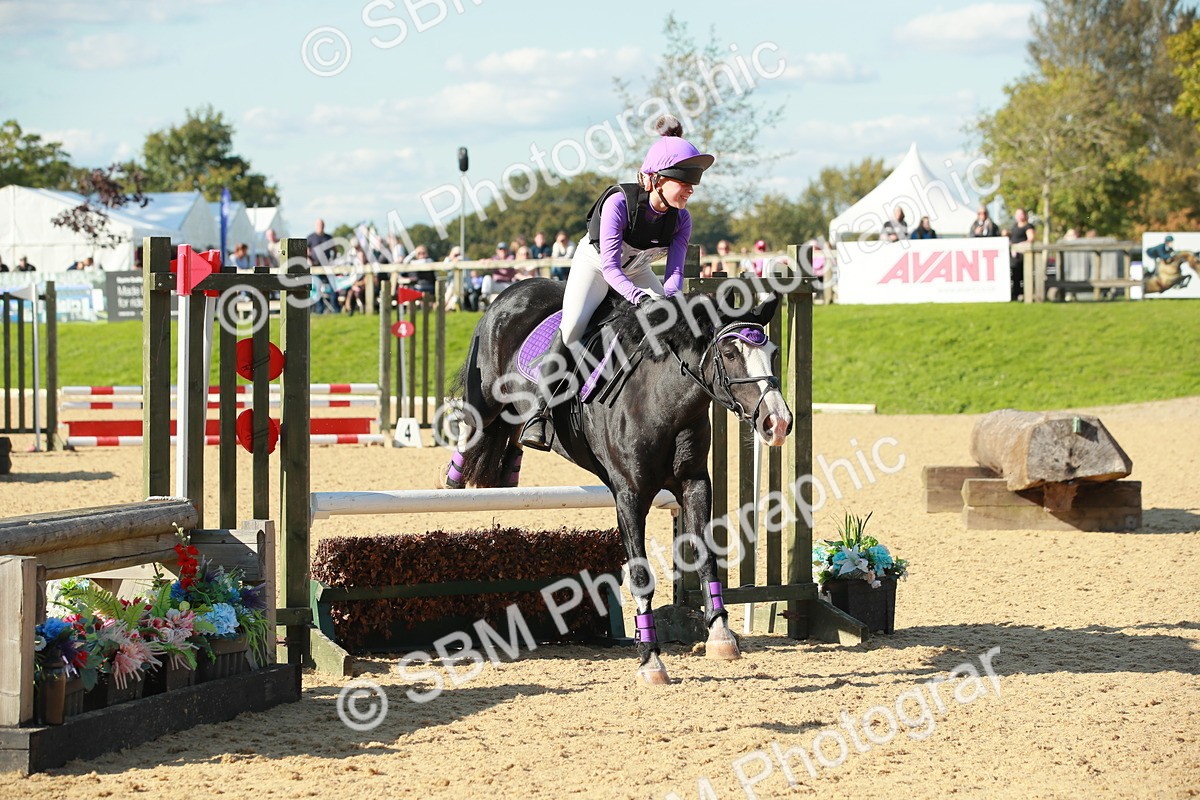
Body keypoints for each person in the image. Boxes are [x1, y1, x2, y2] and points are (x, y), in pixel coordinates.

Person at [520, 114, 712, 451]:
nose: (690, 189)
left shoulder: (682, 218)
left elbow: (675, 273)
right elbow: (610, 268)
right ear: (655, 180)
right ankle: (540, 410)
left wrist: (669, 298)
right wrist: (639, 298)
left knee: (674, 321)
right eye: (684, 181)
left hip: (636, 269)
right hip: (596, 266)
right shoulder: (619, 203)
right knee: (574, 326)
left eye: (693, 182)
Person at [1004, 208, 1036, 301]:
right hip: (1014, 256)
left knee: (1023, 275)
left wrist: (1019, 246)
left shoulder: (1028, 226)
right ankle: (1015, 294)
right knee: (1014, 275)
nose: (1019, 216)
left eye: (1021, 214)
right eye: (1017, 214)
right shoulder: (1014, 226)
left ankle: (1026, 295)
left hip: (1023, 255)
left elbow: (1031, 238)